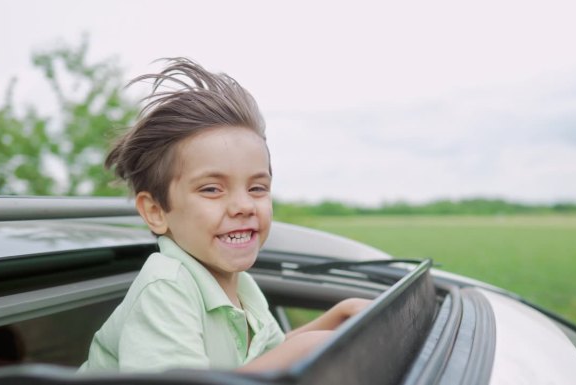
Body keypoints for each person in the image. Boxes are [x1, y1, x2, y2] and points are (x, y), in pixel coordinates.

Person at [79, 58, 369, 373]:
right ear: (156, 211)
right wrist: (307, 347)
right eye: (212, 190)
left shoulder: (241, 286)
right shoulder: (165, 289)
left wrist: (337, 316)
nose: (244, 205)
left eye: (257, 188)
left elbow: (264, 358)